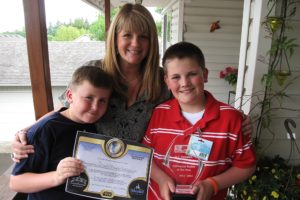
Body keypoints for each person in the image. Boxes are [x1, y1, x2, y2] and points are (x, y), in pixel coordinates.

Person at [11, 3, 253, 163]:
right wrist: (26, 132)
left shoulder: (161, 80)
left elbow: (194, 102)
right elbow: (65, 110)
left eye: (143, 36)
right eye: (127, 35)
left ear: (151, 42)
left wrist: (235, 121)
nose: (135, 43)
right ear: (115, 37)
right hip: (94, 168)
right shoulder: (96, 70)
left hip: (144, 174)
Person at [142, 42, 256, 200]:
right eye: (176, 77)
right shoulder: (159, 113)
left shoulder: (231, 119)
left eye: (192, 74)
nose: (184, 83)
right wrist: (161, 179)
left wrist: (213, 184)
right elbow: (144, 155)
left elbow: (246, 166)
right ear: (167, 81)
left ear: (205, 74)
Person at [9, 66, 113, 200]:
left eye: (102, 101)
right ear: (70, 96)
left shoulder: (99, 126)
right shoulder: (46, 129)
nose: (95, 107)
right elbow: (16, 182)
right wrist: (56, 176)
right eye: (88, 98)